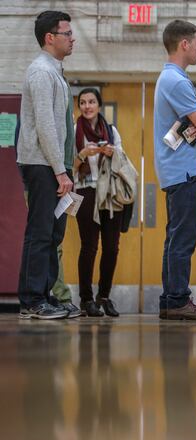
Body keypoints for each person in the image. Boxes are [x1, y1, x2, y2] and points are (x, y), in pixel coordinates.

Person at [153, 20, 196, 320]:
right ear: (184, 45)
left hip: (174, 171)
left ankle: (170, 299)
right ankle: (178, 299)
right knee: (183, 239)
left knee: (174, 238)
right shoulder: (177, 81)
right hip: (185, 172)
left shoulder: (167, 79)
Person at [16, 11, 76, 319]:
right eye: (67, 33)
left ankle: (48, 296)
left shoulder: (57, 73)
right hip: (42, 165)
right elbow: (45, 126)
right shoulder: (41, 72)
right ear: (50, 38)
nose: (72, 38)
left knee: (53, 235)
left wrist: (67, 168)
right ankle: (31, 300)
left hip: (57, 166)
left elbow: (64, 127)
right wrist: (59, 170)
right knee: (40, 233)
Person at [72, 88, 124, 317]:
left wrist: (113, 154)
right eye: (82, 102)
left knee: (112, 248)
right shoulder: (74, 131)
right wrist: (82, 154)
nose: (87, 106)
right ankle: (86, 300)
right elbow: (67, 166)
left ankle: (104, 297)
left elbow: (123, 163)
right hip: (85, 191)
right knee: (89, 247)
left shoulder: (111, 130)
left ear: (99, 105)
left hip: (109, 192)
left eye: (91, 101)